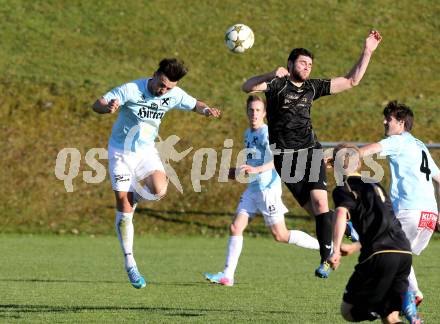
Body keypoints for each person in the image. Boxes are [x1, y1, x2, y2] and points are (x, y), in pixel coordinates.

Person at [242, 30, 382, 278]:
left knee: (320, 202)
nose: (306, 67)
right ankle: (346, 226)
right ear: (290, 64)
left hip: (310, 152)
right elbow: (247, 86)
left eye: (309, 65)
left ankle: (327, 260)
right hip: (285, 160)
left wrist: (367, 51)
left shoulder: (312, 87)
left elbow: (351, 81)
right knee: (318, 214)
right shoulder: (276, 85)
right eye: (302, 63)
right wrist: (270, 74)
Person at [92, 58, 221, 289]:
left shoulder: (174, 93)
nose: (163, 91)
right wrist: (108, 107)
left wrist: (207, 110)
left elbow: (195, 104)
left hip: (146, 151)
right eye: (161, 84)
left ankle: (134, 200)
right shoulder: (132, 88)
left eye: (168, 87)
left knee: (160, 190)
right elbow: (98, 103)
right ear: (154, 74)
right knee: (122, 203)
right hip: (121, 152)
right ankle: (130, 262)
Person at [204, 95, 319, 286]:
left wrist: (256, 170)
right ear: (246, 112)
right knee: (235, 227)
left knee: (280, 235)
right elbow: (252, 164)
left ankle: (324, 247)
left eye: (258, 110)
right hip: (254, 188)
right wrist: (235, 172)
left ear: (265, 113)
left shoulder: (269, 133)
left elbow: (278, 161)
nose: (254, 114)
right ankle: (227, 275)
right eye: (251, 110)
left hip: (268, 190)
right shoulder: (248, 134)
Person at [329, 143, 421, 324]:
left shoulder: (345, 187)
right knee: (391, 318)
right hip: (403, 251)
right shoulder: (376, 185)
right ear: (359, 164)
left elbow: (340, 214)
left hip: (379, 255)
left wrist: (335, 249)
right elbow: (385, 224)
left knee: (348, 311)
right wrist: (355, 246)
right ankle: (404, 303)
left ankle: (400, 303)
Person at [359, 101, 440, 307]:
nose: (384, 121)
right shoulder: (419, 145)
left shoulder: (398, 141)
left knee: (382, 251)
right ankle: (412, 296)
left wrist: (340, 155)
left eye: (389, 118)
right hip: (429, 214)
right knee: (400, 255)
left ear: (401, 123)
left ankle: (407, 295)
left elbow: (370, 150)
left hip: (410, 210)